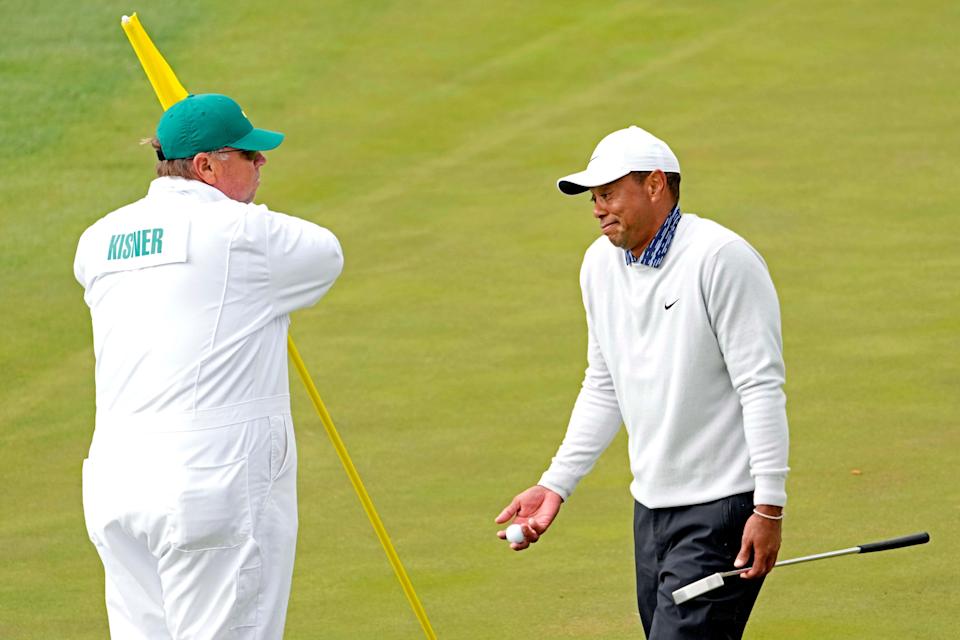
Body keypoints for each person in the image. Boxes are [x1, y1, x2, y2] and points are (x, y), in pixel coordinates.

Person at [495, 126, 790, 639]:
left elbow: (759, 386)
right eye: (594, 197)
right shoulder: (598, 265)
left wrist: (768, 507)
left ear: (655, 185)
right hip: (650, 511)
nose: (597, 208)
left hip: (722, 511)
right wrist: (555, 484)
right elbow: (604, 382)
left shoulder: (720, 258)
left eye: (608, 193)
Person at [73, 93, 344, 639]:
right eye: (247, 155)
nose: (261, 162)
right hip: (209, 480)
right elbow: (327, 254)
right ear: (204, 166)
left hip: (116, 481)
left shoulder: (98, 239)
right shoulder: (245, 234)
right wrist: (232, 213)